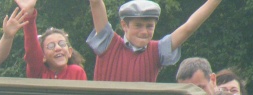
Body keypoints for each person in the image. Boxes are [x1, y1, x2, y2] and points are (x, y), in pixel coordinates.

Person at [86, 0, 222, 82]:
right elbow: (96, 3)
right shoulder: (108, 43)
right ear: (124, 25)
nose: (144, 31)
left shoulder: (157, 50)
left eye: (149, 26)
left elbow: (188, 28)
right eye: (138, 25)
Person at [15, 0, 87, 80]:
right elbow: (32, 50)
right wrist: (28, 15)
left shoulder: (76, 71)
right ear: (43, 56)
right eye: (51, 46)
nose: (58, 48)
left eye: (62, 44)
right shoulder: (39, 72)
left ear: (69, 52)